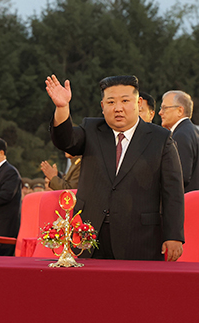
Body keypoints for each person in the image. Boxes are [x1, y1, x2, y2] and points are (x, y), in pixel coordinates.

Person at [46, 74, 184, 261]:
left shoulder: (160, 139)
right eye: (111, 102)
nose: (118, 108)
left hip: (140, 237)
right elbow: (66, 141)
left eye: (125, 100)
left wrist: (174, 235)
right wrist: (62, 107)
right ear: (102, 106)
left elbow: (173, 191)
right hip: (90, 234)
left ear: (138, 102)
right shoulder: (92, 130)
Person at [159, 90, 199, 192]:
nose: (160, 113)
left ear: (180, 111)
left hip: (185, 202)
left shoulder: (181, 135)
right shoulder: (193, 132)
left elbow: (179, 176)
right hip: (194, 200)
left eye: (164, 108)